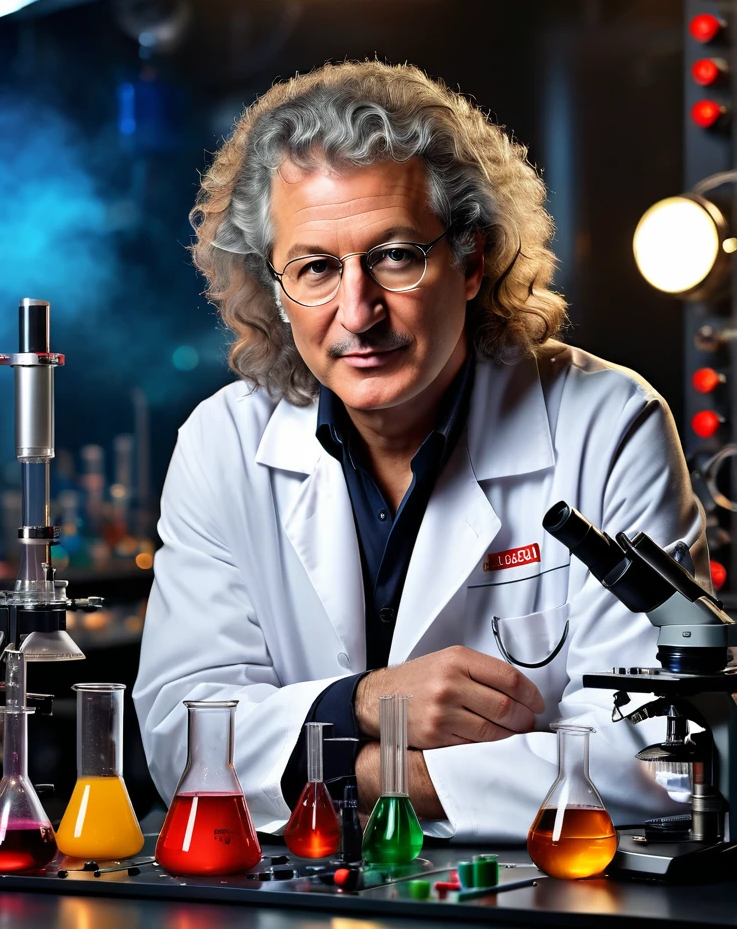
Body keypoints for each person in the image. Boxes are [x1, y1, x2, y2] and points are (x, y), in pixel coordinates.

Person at [133, 59, 705, 841]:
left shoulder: (607, 424)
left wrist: (363, 771)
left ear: (472, 262)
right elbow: (182, 738)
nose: (357, 311)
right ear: (273, 287)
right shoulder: (223, 443)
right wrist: (369, 703)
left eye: (395, 255)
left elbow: (661, 754)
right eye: (315, 268)